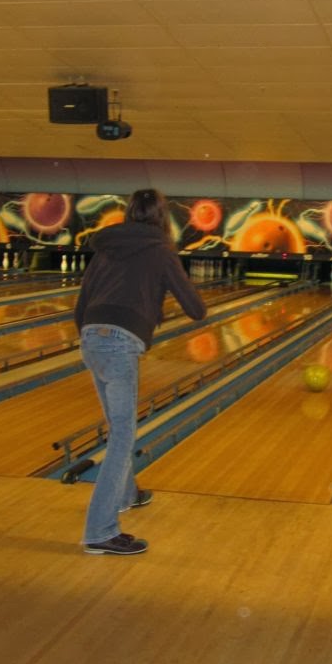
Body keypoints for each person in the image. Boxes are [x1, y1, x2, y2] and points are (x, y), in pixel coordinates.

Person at [74, 188, 207, 556]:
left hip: (91, 337)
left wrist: (94, 337)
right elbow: (196, 309)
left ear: (128, 212)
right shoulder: (161, 250)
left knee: (118, 427)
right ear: (163, 217)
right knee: (122, 435)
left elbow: (82, 304)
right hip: (120, 343)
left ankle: (127, 495)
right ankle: (100, 532)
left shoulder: (105, 248)